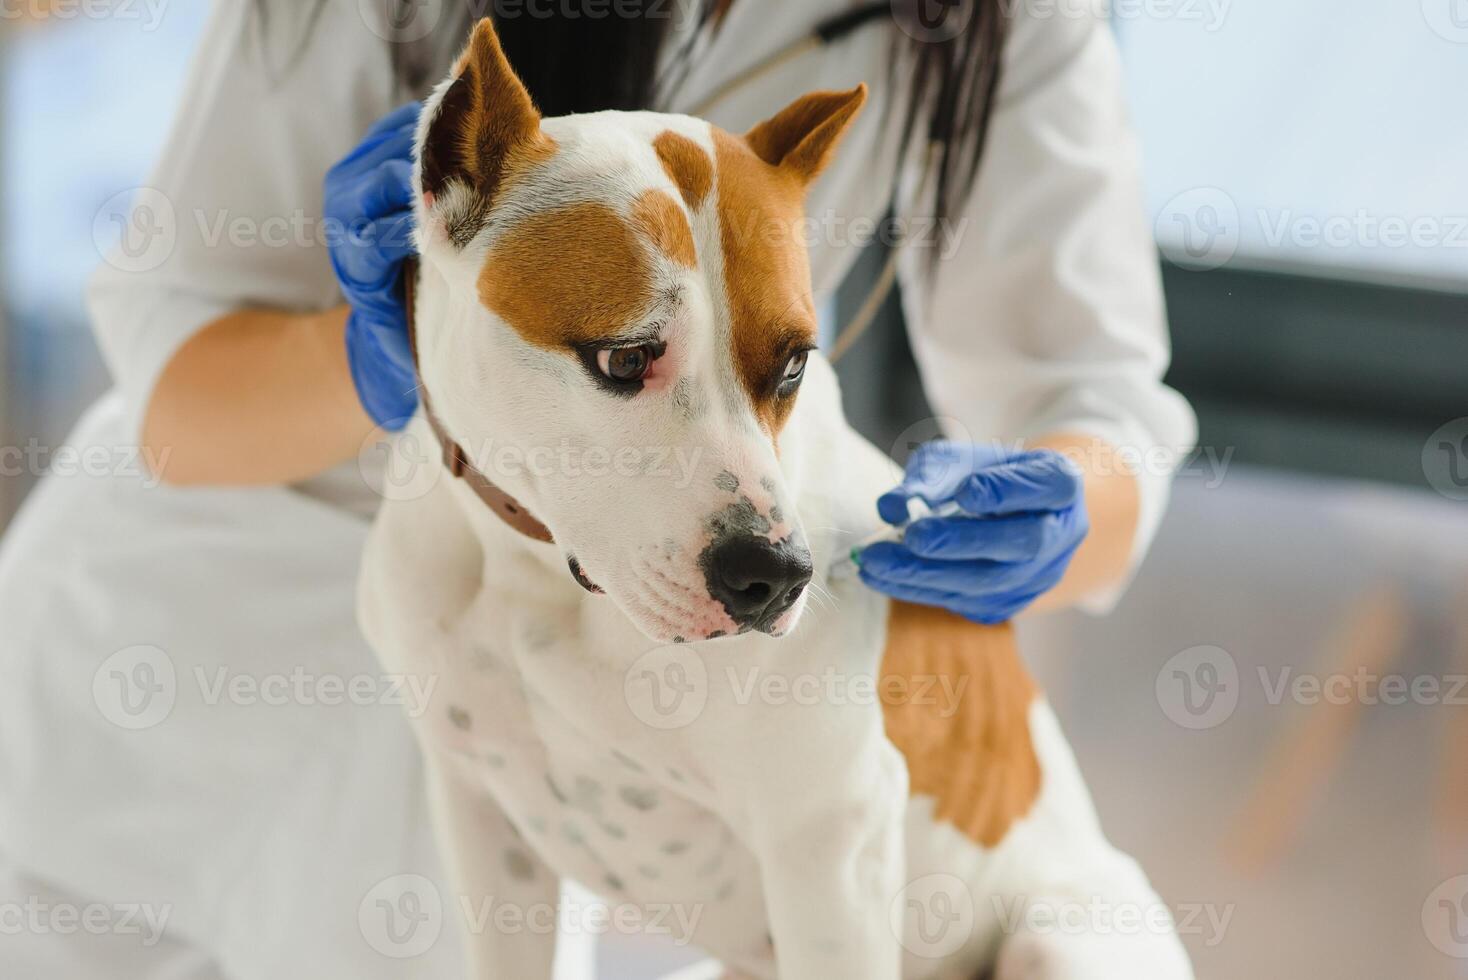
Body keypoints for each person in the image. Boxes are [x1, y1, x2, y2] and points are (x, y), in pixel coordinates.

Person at [0, 1, 1195, 976]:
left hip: (606, 616)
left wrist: (1070, 501)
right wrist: (399, 342)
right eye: (628, 359)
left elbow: (1095, 396)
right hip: (193, 607)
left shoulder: (994, 19)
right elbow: (175, 383)